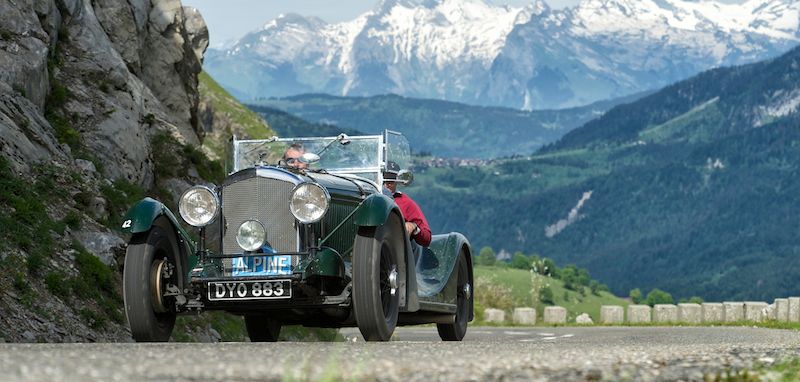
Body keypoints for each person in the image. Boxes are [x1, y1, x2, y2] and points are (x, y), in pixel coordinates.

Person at [383, 161, 431, 247]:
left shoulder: (406, 203)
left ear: (396, 182)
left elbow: (427, 237)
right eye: (382, 181)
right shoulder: (366, 197)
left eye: (389, 182)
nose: (385, 186)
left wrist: (414, 227)